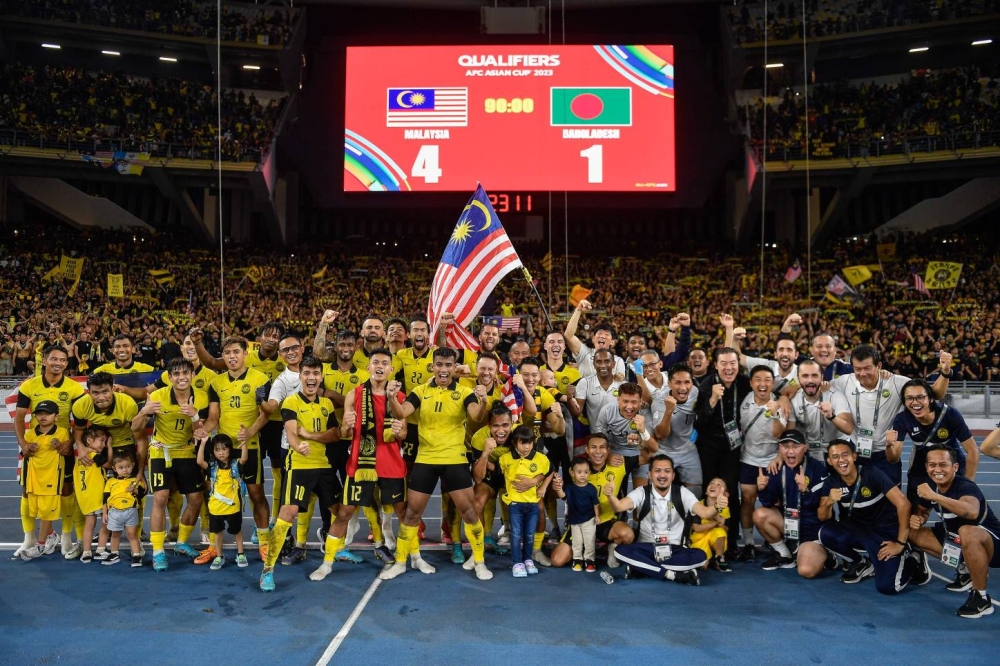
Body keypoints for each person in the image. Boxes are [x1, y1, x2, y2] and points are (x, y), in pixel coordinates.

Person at [382, 347, 493, 581]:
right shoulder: (420, 392)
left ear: (455, 368)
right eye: (439, 365)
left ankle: (480, 562)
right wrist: (391, 397)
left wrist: (483, 401)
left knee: (470, 512)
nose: (443, 369)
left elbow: (477, 416)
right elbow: (401, 412)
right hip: (426, 459)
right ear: (432, 367)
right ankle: (401, 562)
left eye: (448, 365)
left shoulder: (465, 392)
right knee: (412, 513)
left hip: (454, 459)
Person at [310, 349, 410, 581]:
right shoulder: (354, 395)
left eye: (385, 363)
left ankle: (408, 558)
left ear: (391, 369)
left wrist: (398, 431)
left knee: (403, 512)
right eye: (375, 362)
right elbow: (345, 432)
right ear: (368, 367)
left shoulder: (399, 397)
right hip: (360, 463)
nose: (380, 366)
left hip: (390, 463)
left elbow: (403, 433)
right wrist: (346, 425)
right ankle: (327, 564)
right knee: (344, 513)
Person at [260, 356, 341, 592]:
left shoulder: (326, 404)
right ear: (301, 376)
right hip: (300, 465)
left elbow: (335, 434)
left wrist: (313, 436)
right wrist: (298, 445)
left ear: (321, 376)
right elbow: (292, 432)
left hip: (323, 465)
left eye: (316, 373)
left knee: (341, 512)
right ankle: (268, 569)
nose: (311, 377)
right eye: (307, 373)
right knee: (289, 512)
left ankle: (330, 558)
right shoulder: (291, 402)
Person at [831, 345, 952, 486]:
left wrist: (945, 372)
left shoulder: (896, 383)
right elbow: (816, 386)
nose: (862, 373)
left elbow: (935, 393)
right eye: (858, 369)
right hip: (857, 454)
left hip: (886, 455)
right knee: (860, 501)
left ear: (879, 366)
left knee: (891, 504)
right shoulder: (844, 382)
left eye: (868, 368)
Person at [134, 357, 210, 571]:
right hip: (161, 451)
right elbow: (135, 427)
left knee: (195, 499)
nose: (181, 377)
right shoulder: (157, 396)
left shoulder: (201, 398)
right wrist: (144, 412)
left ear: (193, 375)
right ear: (169, 377)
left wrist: (195, 415)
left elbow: (200, 432)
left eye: (185, 373)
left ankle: (182, 542)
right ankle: (158, 551)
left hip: (187, 451)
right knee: (160, 498)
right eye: (176, 373)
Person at [907, 446, 1000, 618]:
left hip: (992, 544)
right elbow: (922, 509)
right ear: (926, 467)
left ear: (955, 467)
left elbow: (971, 511)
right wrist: (918, 517)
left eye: (943, 464)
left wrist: (935, 497)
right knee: (912, 533)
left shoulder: (965, 486)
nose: (937, 469)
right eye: (932, 465)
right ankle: (965, 570)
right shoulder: (931, 488)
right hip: (960, 541)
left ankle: (981, 598)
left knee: (967, 531)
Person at [608, 454, 729, 585]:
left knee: (700, 556)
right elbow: (619, 506)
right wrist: (610, 496)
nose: (662, 475)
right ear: (649, 474)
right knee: (620, 551)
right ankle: (672, 574)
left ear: (673, 475)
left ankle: (643, 568)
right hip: (647, 548)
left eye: (667, 471)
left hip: (675, 549)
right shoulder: (641, 492)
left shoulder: (683, 493)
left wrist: (717, 506)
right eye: (657, 471)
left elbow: (705, 513)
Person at [201, 336, 272, 560]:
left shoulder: (260, 379)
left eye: (236, 352)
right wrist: (202, 430)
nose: (232, 356)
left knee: (256, 494)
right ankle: (214, 546)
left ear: (245, 353)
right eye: (227, 352)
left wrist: (251, 431)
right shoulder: (216, 383)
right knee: (215, 495)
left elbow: (266, 413)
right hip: (222, 450)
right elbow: (213, 417)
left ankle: (264, 542)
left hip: (249, 446)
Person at [817, 440, 919, 594]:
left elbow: (903, 504)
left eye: (845, 455)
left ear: (854, 456)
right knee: (825, 533)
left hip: (884, 534)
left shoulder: (872, 474)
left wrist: (899, 542)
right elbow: (822, 516)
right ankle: (861, 563)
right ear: (829, 461)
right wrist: (829, 502)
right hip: (859, 531)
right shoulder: (832, 482)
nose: (841, 460)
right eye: (835, 456)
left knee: (889, 587)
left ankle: (914, 558)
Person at [14, 344, 86, 559]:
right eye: (54, 359)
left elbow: (81, 422)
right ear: (44, 361)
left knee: (65, 491)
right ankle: (29, 538)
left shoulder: (74, 389)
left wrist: (71, 442)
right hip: (35, 450)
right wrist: (23, 445)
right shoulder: (29, 386)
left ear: (66, 363)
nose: (58, 363)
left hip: (61, 449)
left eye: (63, 360)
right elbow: (18, 418)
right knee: (27, 491)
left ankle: (65, 537)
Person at [548, 433, 656, 568]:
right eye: (593, 447)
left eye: (602, 448)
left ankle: (612, 547)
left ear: (608, 450)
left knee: (627, 535)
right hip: (581, 523)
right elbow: (564, 495)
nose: (598, 451)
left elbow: (650, 456)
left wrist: (640, 441)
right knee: (557, 561)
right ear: (587, 450)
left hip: (606, 522)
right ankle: (584, 546)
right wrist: (556, 487)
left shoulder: (620, 465)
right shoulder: (576, 469)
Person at [695, 343, 752, 558]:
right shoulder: (705, 385)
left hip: (733, 445)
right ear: (715, 366)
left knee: (729, 492)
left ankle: (730, 538)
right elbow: (699, 422)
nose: (729, 368)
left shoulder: (745, 384)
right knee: (709, 489)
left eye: (733, 363)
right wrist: (711, 399)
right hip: (708, 444)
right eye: (724, 363)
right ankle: (705, 535)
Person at [886, 379, 979, 509]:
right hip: (921, 467)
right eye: (910, 398)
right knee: (915, 515)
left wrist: (968, 485)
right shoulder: (902, 419)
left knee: (958, 512)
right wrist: (888, 446)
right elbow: (893, 458)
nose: (915, 403)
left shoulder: (950, 415)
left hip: (950, 464)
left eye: (920, 397)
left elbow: (973, 451)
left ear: (930, 399)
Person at [752, 429, 831, 576]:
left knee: (806, 571)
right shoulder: (776, 468)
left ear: (805, 448)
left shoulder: (817, 469)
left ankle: (824, 552)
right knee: (760, 514)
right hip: (788, 524)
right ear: (780, 449)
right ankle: (785, 554)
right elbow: (768, 503)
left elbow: (820, 510)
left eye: (795, 446)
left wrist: (805, 490)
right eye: (785, 446)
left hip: (811, 530)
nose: (790, 451)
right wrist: (762, 489)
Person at [735, 366, 788, 561]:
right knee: (748, 500)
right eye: (758, 379)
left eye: (767, 379)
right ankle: (749, 543)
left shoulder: (779, 404)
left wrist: (774, 412)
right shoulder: (744, 399)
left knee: (775, 502)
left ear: (772, 383)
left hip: (772, 461)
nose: (762, 384)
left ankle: (776, 538)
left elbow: (777, 433)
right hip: (748, 459)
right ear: (751, 383)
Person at [491, 425, 550, 577]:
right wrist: (484, 456)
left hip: (533, 504)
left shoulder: (540, 458)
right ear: (515, 443)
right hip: (515, 504)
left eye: (529, 443)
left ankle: (528, 560)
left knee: (529, 534)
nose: (526, 447)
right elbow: (495, 470)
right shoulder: (506, 459)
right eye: (522, 443)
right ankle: (517, 563)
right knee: (516, 534)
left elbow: (550, 471)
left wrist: (541, 486)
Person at [17, 400, 69, 561]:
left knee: (46, 511)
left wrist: (59, 445)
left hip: (52, 477)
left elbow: (66, 451)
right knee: (38, 510)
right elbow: (24, 454)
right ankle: (52, 535)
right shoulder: (30, 433)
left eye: (47, 413)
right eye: (39, 414)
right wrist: (28, 449)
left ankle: (40, 544)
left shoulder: (62, 432)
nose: (43, 417)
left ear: (56, 416)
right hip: (34, 477)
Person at [646, 361, 703, 496]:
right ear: (670, 384)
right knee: (657, 494)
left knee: (696, 492)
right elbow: (661, 435)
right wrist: (668, 412)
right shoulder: (660, 402)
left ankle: (690, 517)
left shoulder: (695, 392)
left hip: (687, 448)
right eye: (678, 382)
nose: (683, 387)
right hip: (664, 450)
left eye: (687, 382)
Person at [196, 434, 249, 570]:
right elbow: (200, 461)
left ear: (230, 450)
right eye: (217, 450)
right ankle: (219, 556)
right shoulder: (212, 466)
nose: (221, 452)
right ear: (213, 451)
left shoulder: (235, 465)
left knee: (236, 531)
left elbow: (244, 458)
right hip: (216, 507)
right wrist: (202, 444)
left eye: (224, 449)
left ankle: (241, 553)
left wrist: (244, 444)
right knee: (217, 532)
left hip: (233, 507)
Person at [786, 359, 852, 462]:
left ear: (821, 377)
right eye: (805, 376)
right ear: (798, 378)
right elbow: (791, 433)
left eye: (814, 375)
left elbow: (848, 429)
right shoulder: (794, 400)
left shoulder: (835, 395)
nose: (810, 380)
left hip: (837, 449)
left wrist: (832, 416)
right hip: (809, 450)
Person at [471, 404, 515, 554]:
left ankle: (532, 547)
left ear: (512, 424)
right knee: (476, 501)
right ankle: (481, 542)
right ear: (489, 425)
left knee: (536, 503)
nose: (501, 431)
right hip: (489, 475)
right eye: (495, 426)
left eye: (505, 425)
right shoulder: (479, 438)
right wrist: (484, 454)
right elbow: (477, 478)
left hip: (511, 473)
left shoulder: (519, 435)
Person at [551, 456, 600, 572]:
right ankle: (577, 559)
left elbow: (596, 504)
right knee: (577, 541)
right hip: (574, 520)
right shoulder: (569, 487)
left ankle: (590, 560)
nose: (582, 475)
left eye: (586, 472)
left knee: (589, 541)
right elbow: (562, 495)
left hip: (589, 519)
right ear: (572, 473)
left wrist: (597, 516)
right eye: (579, 472)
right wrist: (558, 486)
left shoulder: (591, 489)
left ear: (589, 473)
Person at [101, 450, 146, 567]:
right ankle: (114, 553)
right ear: (114, 468)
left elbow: (141, 493)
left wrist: (134, 489)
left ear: (133, 466)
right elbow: (105, 498)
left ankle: (136, 555)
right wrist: (105, 513)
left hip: (131, 511)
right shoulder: (111, 482)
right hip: (114, 512)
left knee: (132, 534)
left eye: (128, 466)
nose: (125, 469)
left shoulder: (135, 481)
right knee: (115, 534)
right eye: (121, 467)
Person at [563, 299, 626, 378]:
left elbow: (621, 382)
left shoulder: (618, 361)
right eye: (599, 333)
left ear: (612, 342)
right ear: (593, 339)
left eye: (606, 334)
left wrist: (619, 377)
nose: (602, 336)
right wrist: (578, 310)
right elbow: (569, 336)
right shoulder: (584, 353)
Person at [76, 425, 112, 564]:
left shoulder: (81, 457)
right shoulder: (94, 456)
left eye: (104, 441)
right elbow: (109, 464)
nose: (103, 444)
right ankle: (100, 550)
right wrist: (110, 447)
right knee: (106, 523)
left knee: (89, 524)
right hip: (97, 495)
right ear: (90, 440)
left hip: (85, 496)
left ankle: (86, 552)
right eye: (101, 441)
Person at [689, 477, 732, 572]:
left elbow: (725, 529)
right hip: (699, 539)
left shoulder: (725, 509)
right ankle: (708, 559)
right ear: (706, 492)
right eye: (711, 483)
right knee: (702, 566)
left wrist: (718, 520)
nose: (713, 486)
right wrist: (716, 521)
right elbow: (697, 528)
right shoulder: (698, 506)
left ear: (725, 494)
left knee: (720, 532)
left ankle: (719, 558)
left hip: (713, 537)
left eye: (719, 485)